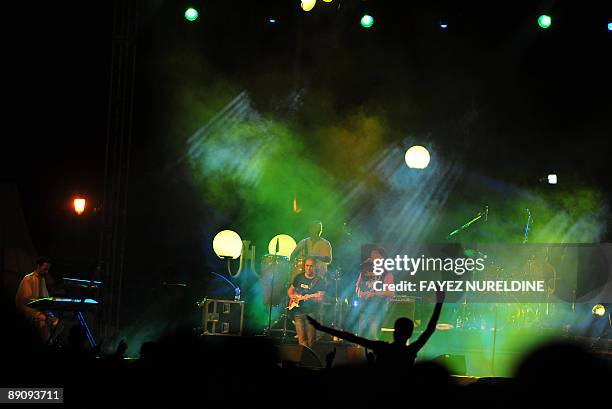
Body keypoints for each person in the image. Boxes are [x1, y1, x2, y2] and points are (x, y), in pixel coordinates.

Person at [308, 290, 445, 368]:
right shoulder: (411, 350)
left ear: (395, 332)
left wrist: (321, 327)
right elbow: (430, 328)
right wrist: (440, 302)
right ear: (409, 334)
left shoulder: (382, 348)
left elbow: (350, 337)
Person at [15, 256, 60, 342]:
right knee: (42, 320)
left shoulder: (42, 280)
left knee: (58, 323)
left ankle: (49, 341)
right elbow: (26, 300)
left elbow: (45, 297)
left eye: (48, 270)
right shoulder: (28, 278)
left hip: (40, 309)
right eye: (45, 269)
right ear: (39, 266)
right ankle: (48, 343)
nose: (46, 272)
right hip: (28, 309)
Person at [356, 248, 394, 339]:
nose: (373, 258)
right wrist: (359, 293)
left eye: (376, 255)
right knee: (361, 334)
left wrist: (375, 293)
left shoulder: (387, 273)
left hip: (377, 307)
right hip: (364, 307)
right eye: (372, 255)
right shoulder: (364, 272)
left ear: (382, 258)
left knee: (373, 335)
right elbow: (357, 285)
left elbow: (390, 292)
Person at [287, 257, 325, 348]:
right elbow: (290, 291)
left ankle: (309, 360)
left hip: (311, 313)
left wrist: (310, 298)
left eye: (311, 266)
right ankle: (303, 360)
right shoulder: (298, 277)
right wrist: (293, 297)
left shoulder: (320, 281)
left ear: (315, 267)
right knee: (301, 341)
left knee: (310, 341)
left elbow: (320, 298)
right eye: (307, 266)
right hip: (298, 313)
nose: (308, 268)